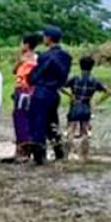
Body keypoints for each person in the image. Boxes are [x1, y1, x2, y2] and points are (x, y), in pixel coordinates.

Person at [28, 26, 72, 165]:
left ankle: (39, 157)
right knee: (53, 123)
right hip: (54, 92)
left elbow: (34, 76)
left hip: (41, 92)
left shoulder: (45, 56)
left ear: (48, 38)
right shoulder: (66, 56)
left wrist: (31, 76)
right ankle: (60, 152)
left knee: (38, 123)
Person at [63, 56, 111, 159]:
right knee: (85, 130)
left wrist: (70, 95)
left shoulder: (75, 78)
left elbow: (60, 87)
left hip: (75, 106)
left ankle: (71, 152)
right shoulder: (94, 81)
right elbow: (109, 92)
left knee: (71, 129)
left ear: (80, 66)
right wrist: (98, 102)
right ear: (92, 67)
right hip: (86, 106)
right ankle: (84, 154)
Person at [13, 34, 41, 160]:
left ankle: (23, 150)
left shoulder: (32, 60)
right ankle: (23, 149)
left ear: (26, 45)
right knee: (23, 119)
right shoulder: (30, 58)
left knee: (21, 119)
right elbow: (14, 71)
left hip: (25, 91)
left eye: (21, 43)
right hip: (24, 91)